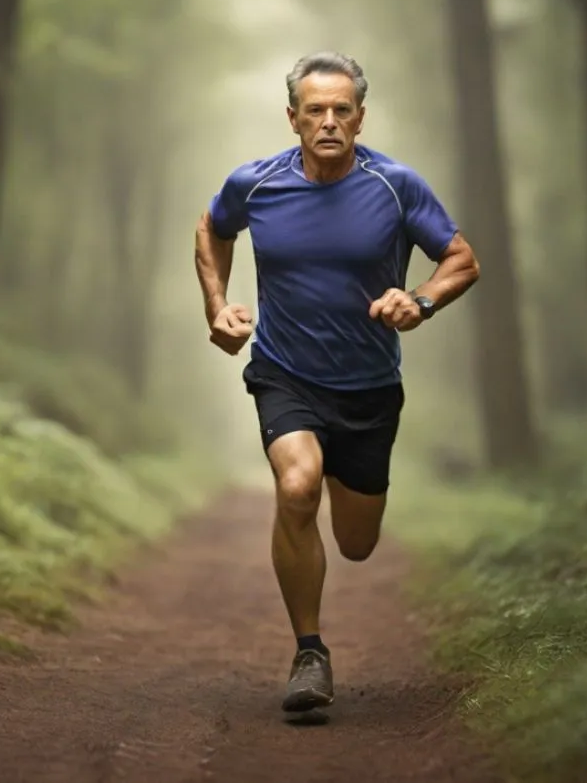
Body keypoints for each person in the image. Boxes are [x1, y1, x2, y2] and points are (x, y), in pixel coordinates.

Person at [193, 51, 480, 713]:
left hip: (369, 386)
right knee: (297, 487)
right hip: (285, 372)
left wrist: (422, 300)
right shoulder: (257, 184)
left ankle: (343, 495)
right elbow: (212, 228)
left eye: (341, 110)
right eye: (315, 110)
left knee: (356, 542)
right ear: (292, 117)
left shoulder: (395, 186)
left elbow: (461, 259)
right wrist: (217, 305)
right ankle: (309, 653)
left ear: (360, 117)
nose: (329, 122)